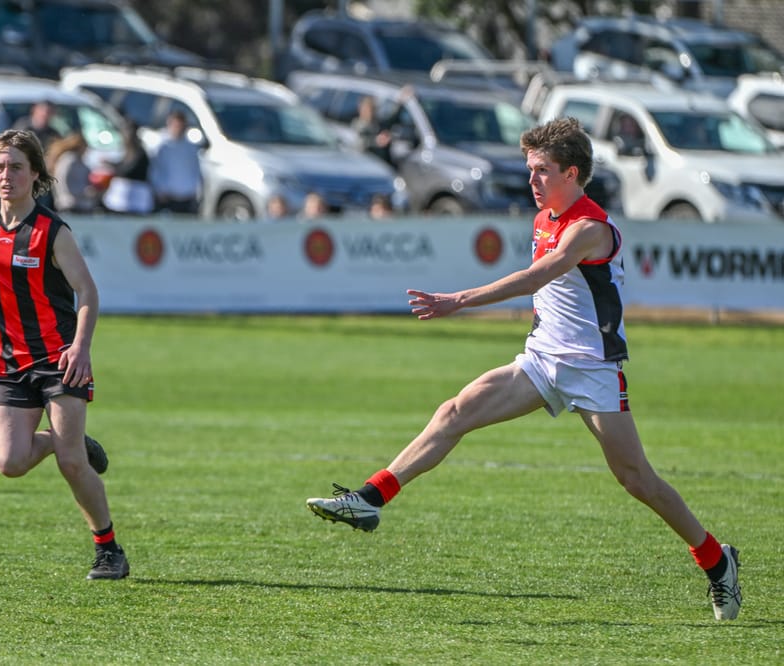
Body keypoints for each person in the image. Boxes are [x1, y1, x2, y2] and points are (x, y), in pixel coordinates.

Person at [306, 117, 741, 621]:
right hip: (540, 361)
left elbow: (540, 274)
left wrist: (459, 300)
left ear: (572, 173)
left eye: (541, 171)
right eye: (530, 170)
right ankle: (371, 497)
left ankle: (716, 559)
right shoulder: (543, 220)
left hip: (592, 370)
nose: (531, 180)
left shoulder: (589, 228)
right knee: (453, 412)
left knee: (637, 480)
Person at [0, 129, 129, 581]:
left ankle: (109, 550)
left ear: (35, 174)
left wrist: (81, 347)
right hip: (6, 362)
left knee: (70, 464)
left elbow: (87, 292)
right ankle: (67, 439)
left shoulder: (52, 231)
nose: (7, 176)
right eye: (0, 166)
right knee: (9, 463)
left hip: (58, 358)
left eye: (17, 168)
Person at [148, 110, 202, 215]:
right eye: (176, 126)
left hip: (187, 198)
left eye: (181, 126)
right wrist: (159, 190)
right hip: (168, 198)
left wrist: (197, 192)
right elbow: (155, 170)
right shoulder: (162, 147)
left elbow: (196, 171)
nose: (178, 129)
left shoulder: (191, 148)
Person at [101, 121, 153, 215]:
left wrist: (115, 169)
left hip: (136, 195)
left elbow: (130, 170)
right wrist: (111, 163)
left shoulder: (140, 152)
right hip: (124, 197)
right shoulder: (128, 150)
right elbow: (123, 164)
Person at [46, 132, 100, 213]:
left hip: (77, 203)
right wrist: (83, 192)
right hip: (70, 204)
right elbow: (63, 180)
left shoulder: (78, 161)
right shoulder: (70, 160)